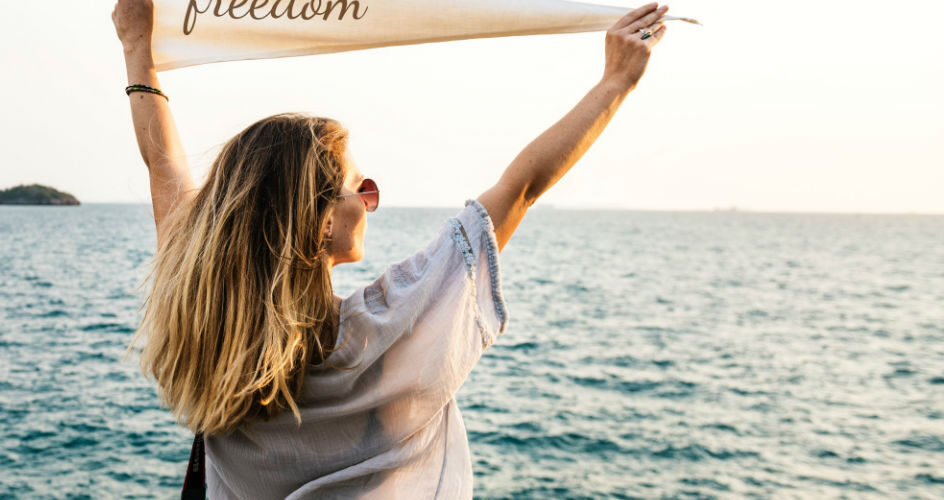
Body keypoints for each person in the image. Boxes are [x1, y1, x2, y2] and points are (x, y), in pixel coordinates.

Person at [113, 0, 669, 497]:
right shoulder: (389, 329)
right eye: (362, 188)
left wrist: (137, 49)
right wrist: (616, 81)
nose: (370, 201)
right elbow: (520, 188)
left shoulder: (204, 328)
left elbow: (163, 165)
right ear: (321, 222)